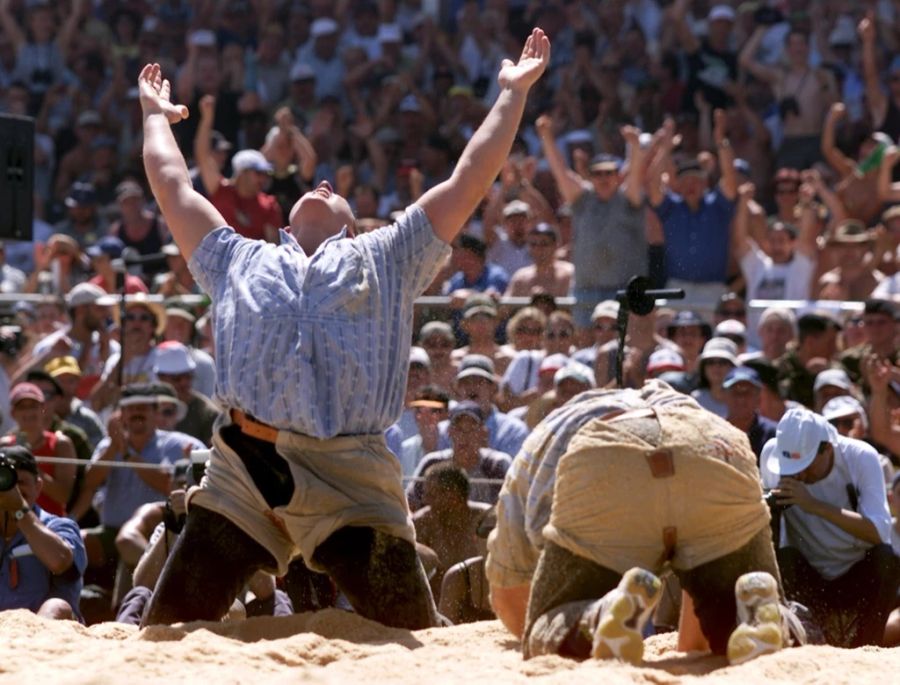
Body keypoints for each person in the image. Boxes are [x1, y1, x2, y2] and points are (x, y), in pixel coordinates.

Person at [135, 28, 550, 629]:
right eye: (313, 185)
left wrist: (511, 94)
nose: (322, 184)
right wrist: (154, 116)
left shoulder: (388, 255)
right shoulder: (237, 256)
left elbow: (470, 178)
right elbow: (172, 184)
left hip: (353, 475)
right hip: (244, 467)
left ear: (353, 229)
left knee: (412, 635)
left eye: (333, 190)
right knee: (167, 627)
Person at [486, 380, 801, 665]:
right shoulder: (684, 404)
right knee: (737, 604)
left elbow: (510, 591)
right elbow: (694, 633)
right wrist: (697, 640)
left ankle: (597, 617)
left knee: (547, 625)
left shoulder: (543, 436)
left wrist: (552, 616)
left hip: (605, 458)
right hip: (709, 444)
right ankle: (757, 618)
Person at [762, 407, 899, 647]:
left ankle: (867, 646)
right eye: (794, 468)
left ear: (827, 448)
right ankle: (799, 639)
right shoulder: (771, 455)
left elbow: (879, 533)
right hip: (809, 571)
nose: (800, 474)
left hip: (855, 569)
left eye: (806, 466)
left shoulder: (860, 457)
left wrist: (814, 505)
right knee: (783, 557)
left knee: (886, 560)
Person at [536, 113, 646, 341]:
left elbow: (636, 175)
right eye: (598, 173)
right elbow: (560, 172)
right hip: (586, 289)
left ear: (617, 176)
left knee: (624, 346)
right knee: (585, 344)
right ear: (591, 176)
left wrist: (634, 147)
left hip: (623, 290)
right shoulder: (582, 199)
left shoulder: (629, 199)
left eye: (609, 173)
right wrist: (546, 136)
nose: (604, 178)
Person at [0, 445, 87, 621]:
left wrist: (19, 509)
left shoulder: (60, 526)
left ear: (38, 486)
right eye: (7, 482)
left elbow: (60, 562)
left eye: (21, 483)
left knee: (55, 606)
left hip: (47, 633)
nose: (13, 490)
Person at [407, 401, 512, 511]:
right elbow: (411, 505)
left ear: (483, 433)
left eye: (471, 429)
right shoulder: (432, 462)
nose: (463, 436)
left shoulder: (496, 465)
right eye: (458, 429)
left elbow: (509, 511)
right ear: (449, 432)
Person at [724, 366, 776, 461]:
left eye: (747, 393)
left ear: (758, 397)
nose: (741, 399)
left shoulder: (772, 434)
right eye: (736, 393)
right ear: (724, 396)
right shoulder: (716, 433)